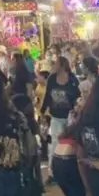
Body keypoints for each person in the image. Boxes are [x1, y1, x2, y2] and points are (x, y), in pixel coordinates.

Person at [41, 55, 79, 185]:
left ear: (62, 65)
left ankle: (70, 172)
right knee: (54, 146)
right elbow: (47, 95)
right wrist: (42, 111)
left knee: (70, 145)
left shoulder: (73, 79)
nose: (53, 66)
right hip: (56, 116)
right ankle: (53, 174)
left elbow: (77, 97)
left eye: (56, 63)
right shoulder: (52, 79)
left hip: (69, 116)